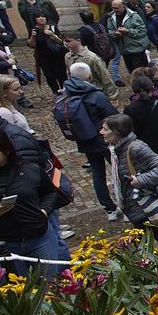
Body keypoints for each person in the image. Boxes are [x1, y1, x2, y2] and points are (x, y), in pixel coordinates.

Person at [0, 125, 62, 277]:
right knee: (16, 296)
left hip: (39, 239)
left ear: (6, 150)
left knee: (50, 287)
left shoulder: (29, 169)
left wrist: (44, 210)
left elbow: (49, 192)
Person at [59, 63, 119, 220]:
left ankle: (109, 209)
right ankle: (125, 204)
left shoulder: (66, 93)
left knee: (97, 173)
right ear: (89, 75)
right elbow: (112, 115)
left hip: (85, 139)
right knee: (118, 171)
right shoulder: (95, 94)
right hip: (103, 138)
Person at [101, 114, 158, 235]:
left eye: (105, 129)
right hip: (134, 206)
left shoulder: (136, 148)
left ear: (117, 131)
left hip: (142, 206)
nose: (101, 132)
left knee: (153, 241)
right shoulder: (116, 150)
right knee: (156, 240)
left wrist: (140, 180)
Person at [62, 32, 118, 102]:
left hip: (93, 93)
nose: (65, 44)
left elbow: (105, 77)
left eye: (68, 41)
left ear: (78, 41)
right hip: (78, 94)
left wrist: (113, 98)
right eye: (64, 41)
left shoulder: (92, 58)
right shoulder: (68, 56)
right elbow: (70, 75)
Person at [27, 14, 69, 94]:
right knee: (50, 76)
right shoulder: (34, 30)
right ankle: (56, 92)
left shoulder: (52, 27)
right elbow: (32, 45)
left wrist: (52, 35)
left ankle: (65, 91)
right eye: (38, 17)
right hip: (43, 56)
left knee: (61, 75)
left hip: (57, 55)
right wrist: (33, 36)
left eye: (43, 16)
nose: (41, 18)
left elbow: (61, 42)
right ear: (35, 19)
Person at [107, 0, 150, 74]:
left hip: (137, 48)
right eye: (113, 8)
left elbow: (143, 31)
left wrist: (128, 31)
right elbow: (109, 31)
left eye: (117, 8)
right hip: (124, 50)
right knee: (131, 70)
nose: (114, 10)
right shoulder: (111, 18)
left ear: (123, 6)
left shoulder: (134, 16)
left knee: (140, 70)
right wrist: (115, 34)